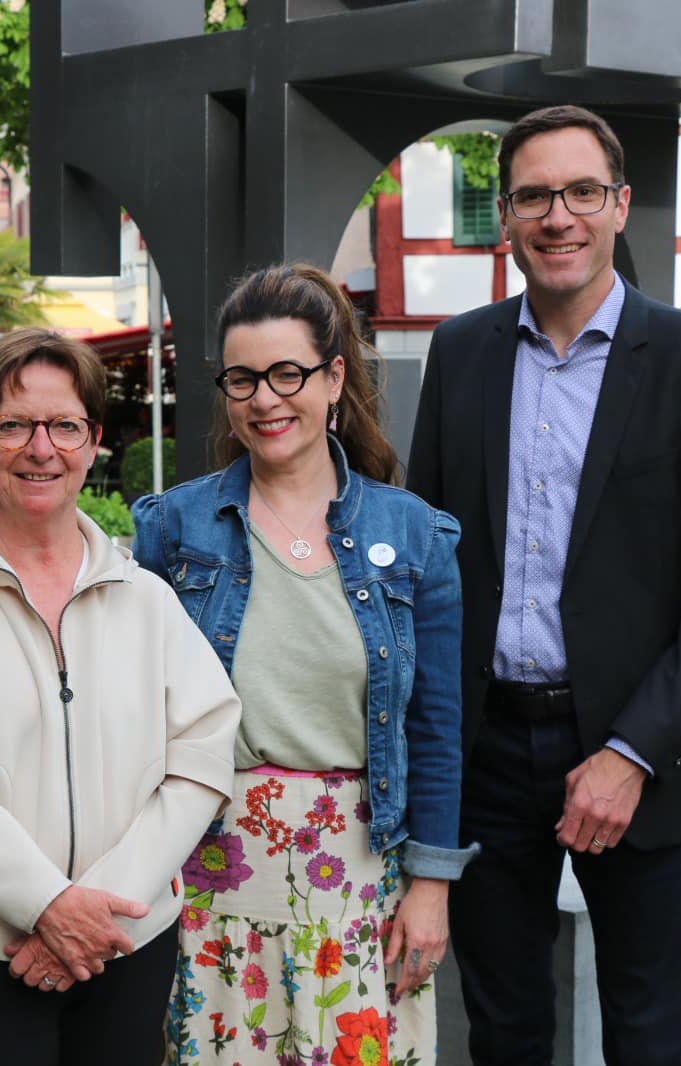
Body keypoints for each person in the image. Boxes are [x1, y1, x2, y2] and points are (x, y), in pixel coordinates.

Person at [407, 105, 681, 1064]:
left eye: (582, 192)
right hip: (488, 756)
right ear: (506, 217)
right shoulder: (461, 354)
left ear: (619, 206)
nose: (558, 216)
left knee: (651, 1041)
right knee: (504, 1034)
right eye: (534, 195)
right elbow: (429, 561)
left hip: (640, 756)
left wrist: (634, 750)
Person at [0, 327, 241, 1066]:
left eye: (64, 425)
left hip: (123, 948)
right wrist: (48, 907)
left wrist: (96, 915)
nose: (41, 448)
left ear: (93, 441)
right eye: (14, 425)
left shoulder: (145, 600)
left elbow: (200, 759)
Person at [133, 263, 475, 1065]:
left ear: (332, 378)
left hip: (361, 871)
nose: (264, 399)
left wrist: (431, 887)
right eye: (242, 378)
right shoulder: (175, 530)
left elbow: (437, 729)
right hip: (209, 863)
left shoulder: (415, 536)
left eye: (287, 373)